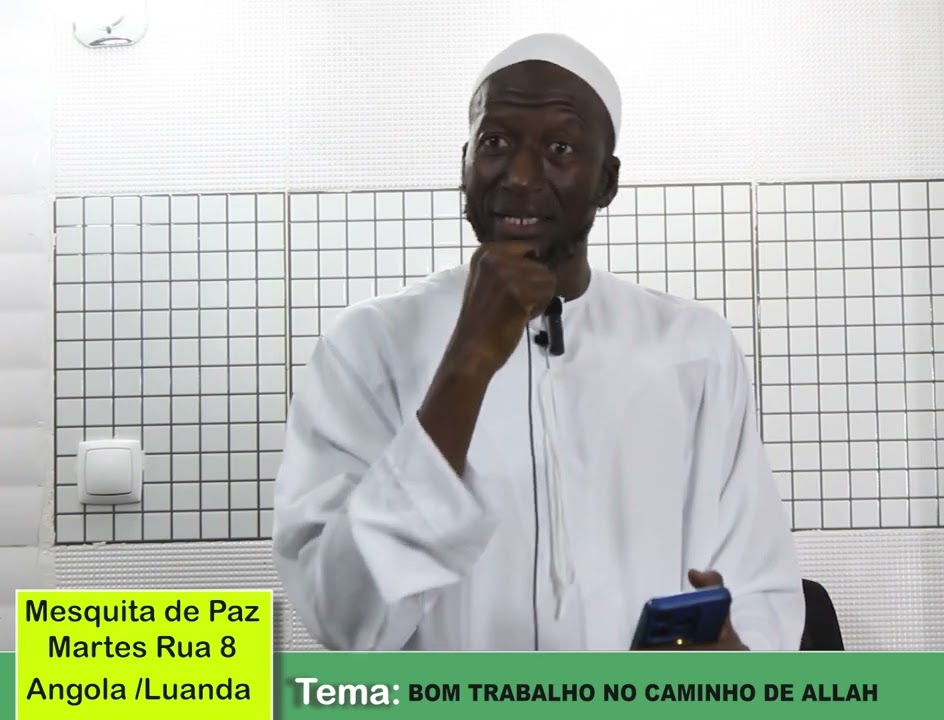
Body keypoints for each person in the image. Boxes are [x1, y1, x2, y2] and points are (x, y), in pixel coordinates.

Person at [272, 33, 804, 652]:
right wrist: (468, 362)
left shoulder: (693, 348)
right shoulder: (369, 345)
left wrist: (739, 659)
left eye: (559, 148)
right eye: (495, 142)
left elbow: (760, 589)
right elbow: (343, 619)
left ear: (607, 180)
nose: (520, 176)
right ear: (464, 162)